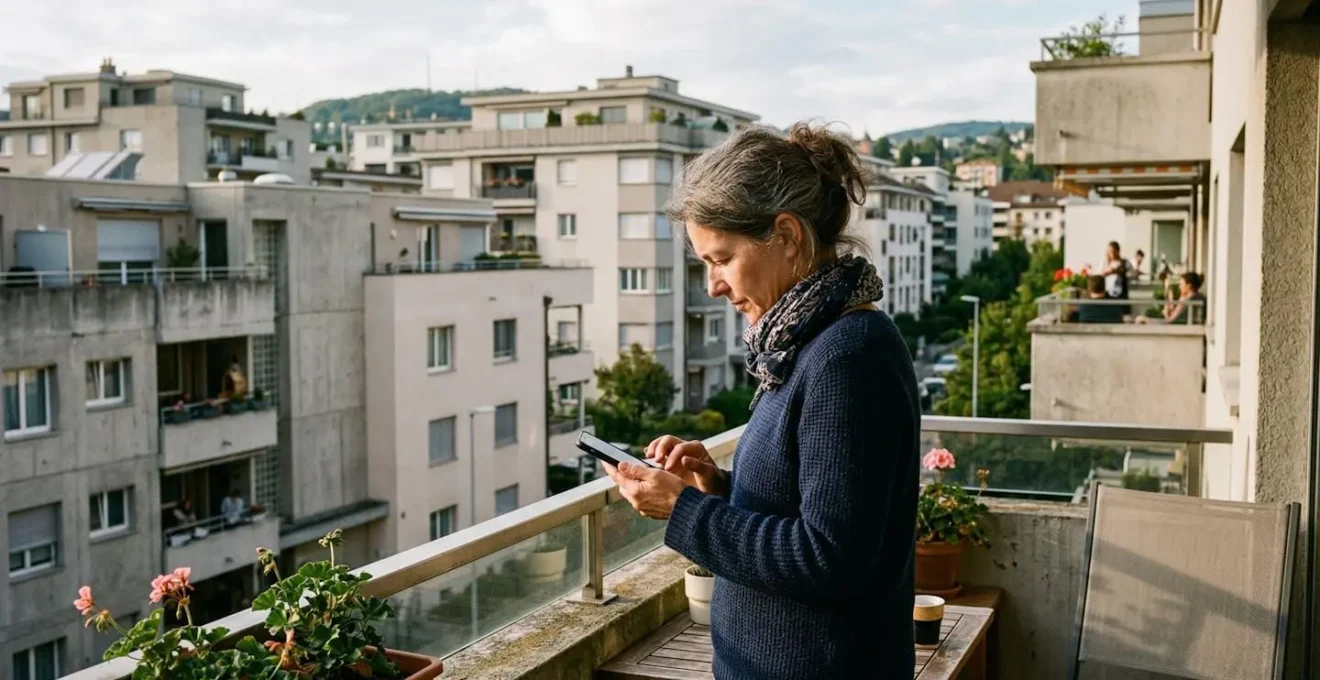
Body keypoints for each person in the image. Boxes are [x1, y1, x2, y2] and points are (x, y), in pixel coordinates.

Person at [602, 122, 920, 679]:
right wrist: (717, 486)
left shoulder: (848, 356)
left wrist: (682, 509)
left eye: (721, 258)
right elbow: (812, 507)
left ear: (788, 236)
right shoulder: (805, 342)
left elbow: (831, 560)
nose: (713, 286)